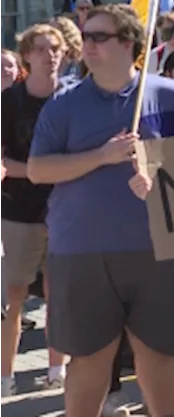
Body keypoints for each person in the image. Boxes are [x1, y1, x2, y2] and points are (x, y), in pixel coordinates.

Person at [28, 4, 174, 417]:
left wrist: (161, 174)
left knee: (161, 357)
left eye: (98, 37)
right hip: (82, 253)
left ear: (129, 44)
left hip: (162, 250)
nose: (86, 45)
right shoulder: (64, 104)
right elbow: (39, 170)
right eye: (85, 36)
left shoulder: (173, 95)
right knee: (90, 360)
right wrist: (103, 156)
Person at [0, 24, 68, 397]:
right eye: (41, 49)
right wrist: (34, 171)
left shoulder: (72, 97)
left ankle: (57, 369)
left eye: (55, 48)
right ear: (26, 55)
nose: (49, 55)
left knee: (59, 293)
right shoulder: (10, 101)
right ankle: (6, 377)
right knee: (14, 296)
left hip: (64, 210)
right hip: (18, 210)